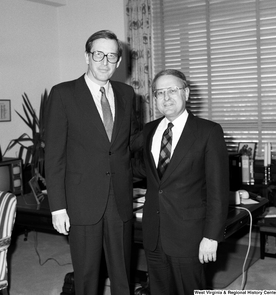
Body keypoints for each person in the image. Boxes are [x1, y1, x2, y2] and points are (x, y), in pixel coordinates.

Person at [44, 30, 140, 295]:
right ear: (87, 56)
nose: (104, 61)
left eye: (111, 56)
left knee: (122, 274)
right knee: (86, 277)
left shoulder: (127, 93)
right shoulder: (63, 94)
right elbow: (54, 156)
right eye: (98, 54)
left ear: (119, 62)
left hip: (120, 200)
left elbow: (129, 143)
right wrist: (58, 207)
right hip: (81, 201)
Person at [138, 69, 229, 294]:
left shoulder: (209, 131)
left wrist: (211, 236)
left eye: (172, 90)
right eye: (160, 92)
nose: (166, 97)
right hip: (153, 233)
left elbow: (218, 190)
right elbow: (138, 170)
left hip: (190, 236)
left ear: (186, 93)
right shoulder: (149, 130)